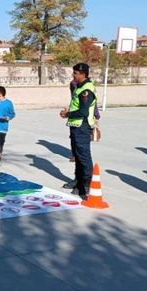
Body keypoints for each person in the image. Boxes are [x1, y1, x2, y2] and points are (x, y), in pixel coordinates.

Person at [60, 63, 97, 199]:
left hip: (82, 127)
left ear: (83, 74)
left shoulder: (86, 90)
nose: (73, 75)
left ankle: (85, 184)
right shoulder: (79, 86)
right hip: (75, 126)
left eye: (75, 73)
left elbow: (83, 111)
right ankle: (78, 180)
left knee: (84, 156)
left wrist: (68, 114)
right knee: (76, 155)